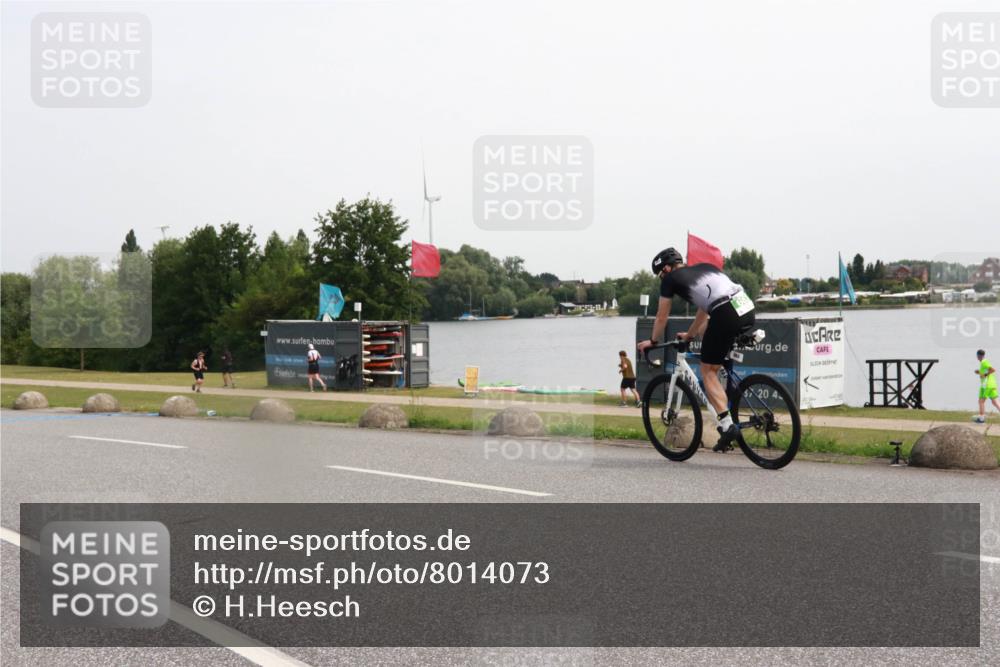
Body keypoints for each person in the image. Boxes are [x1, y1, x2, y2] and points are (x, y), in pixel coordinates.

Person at [637, 247, 755, 452]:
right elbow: (704, 308)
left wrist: (653, 341)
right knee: (709, 341)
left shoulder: (670, 279)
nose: (662, 278)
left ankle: (727, 426)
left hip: (725, 311)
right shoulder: (705, 268)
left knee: (707, 371)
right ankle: (725, 420)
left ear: (666, 268)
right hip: (745, 306)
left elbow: (661, 317)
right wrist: (690, 335)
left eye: (660, 274)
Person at [973, 349, 999, 423]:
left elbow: (992, 370)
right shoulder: (983, 363)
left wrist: (984, 374)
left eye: (977, 355)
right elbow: (986, 371)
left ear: (978, 355)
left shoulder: (984, 362)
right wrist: (979, 372)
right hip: (991, 384)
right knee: (995, 402)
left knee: (981, 401)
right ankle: (981, 418)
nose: (977, 357)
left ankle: (981, 419)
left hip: (986, 385)